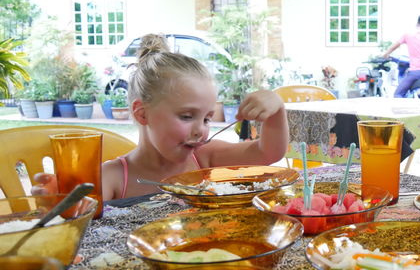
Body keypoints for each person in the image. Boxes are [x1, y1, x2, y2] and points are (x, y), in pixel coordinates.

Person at [33, 34, 289, 201]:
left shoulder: (204, 157)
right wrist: (56, 201)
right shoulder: (112, 178)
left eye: (207, 119)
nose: (201, 130)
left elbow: (267, 152)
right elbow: (76, 217)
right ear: (142, 113)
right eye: (188, 116)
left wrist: (277, 110)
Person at [382, 15, 420, 98]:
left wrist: (386, 54)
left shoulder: (408, 34)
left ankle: (404, 111)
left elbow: (395, 46)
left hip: (416, 72)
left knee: (398, 94)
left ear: (417, 23)